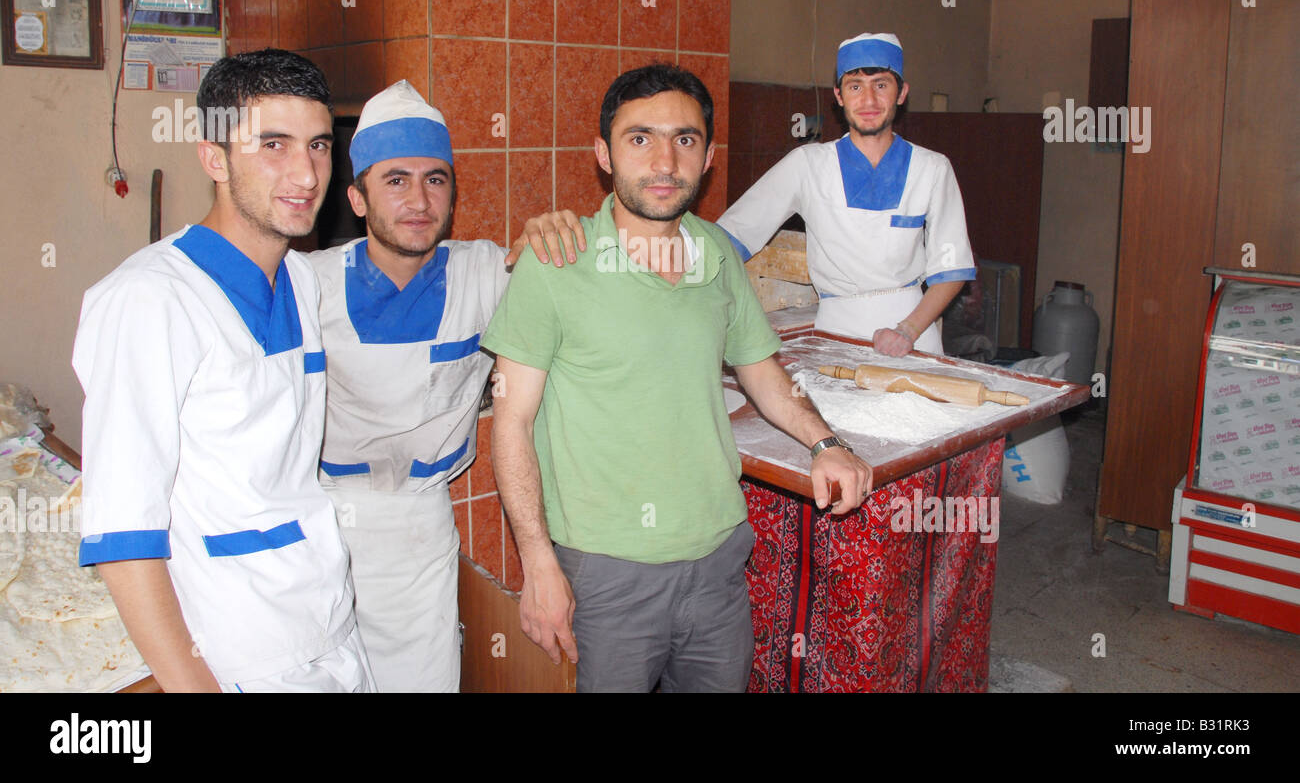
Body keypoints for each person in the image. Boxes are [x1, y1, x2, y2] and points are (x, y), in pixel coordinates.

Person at [482, 63, 873, 692]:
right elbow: (513, 422)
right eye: (640, 138)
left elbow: (763, 372)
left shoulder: (717, 253)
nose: (664, 160)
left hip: (718, 558)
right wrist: (538, 564)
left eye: (684, 139)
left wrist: (826, 444)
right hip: (608, 572)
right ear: (603, 155)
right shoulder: (557, 262)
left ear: (708, 156)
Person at [72, 49, 372, 692]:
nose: (306, 172)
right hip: (240, 657)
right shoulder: (149, 301)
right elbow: (124, 538)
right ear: (213, 157)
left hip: (330, 625)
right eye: (273, 144)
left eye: (319, 145)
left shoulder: (297, 277)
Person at [308, 80, 581, 692]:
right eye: (395, 180)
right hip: (324, 522)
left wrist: (565, 237)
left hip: (420, 529)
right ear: (357, 198)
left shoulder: (483, 272)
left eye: (435, 179)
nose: (419, 199)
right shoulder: (308, 286)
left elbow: (578, 307)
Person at [717, 33, 976, 355]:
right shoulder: (807, 164)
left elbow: (951, 269)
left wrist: (907, 331)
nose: (868, 101)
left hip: (912, 331)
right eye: (855, 86)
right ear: (839, 96)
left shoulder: (933, 168)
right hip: (835, 330)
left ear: (902, 93)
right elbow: (733, 235)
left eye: (881, 85)